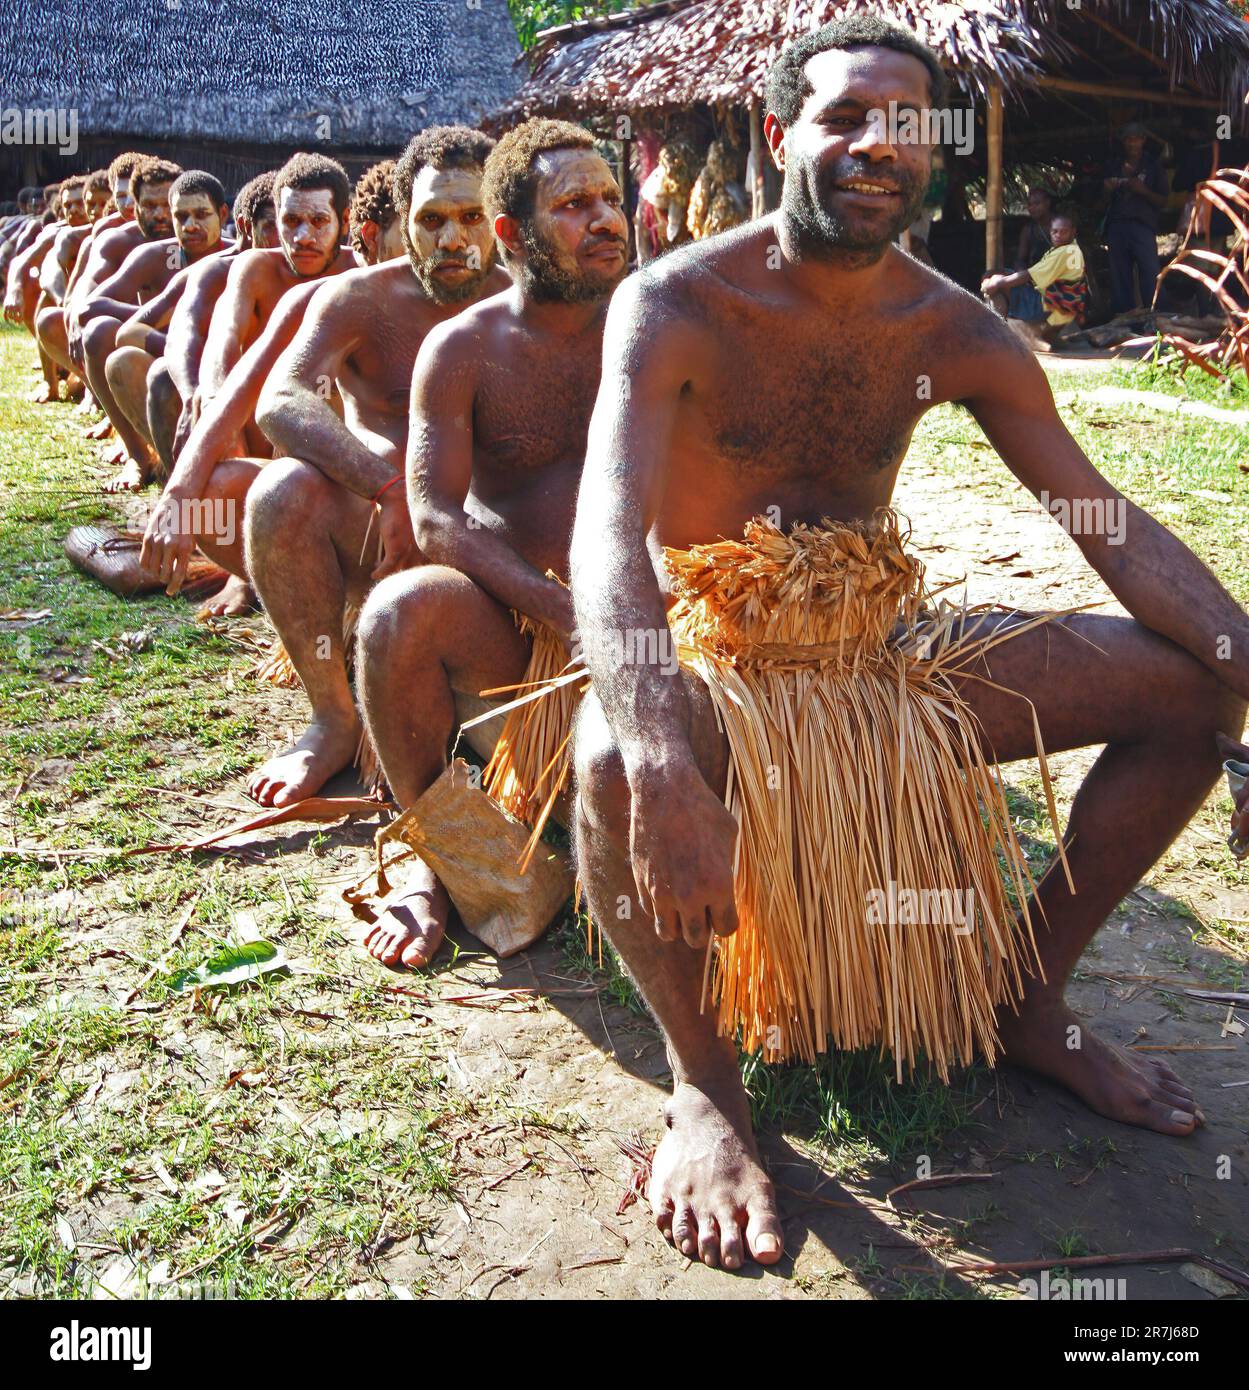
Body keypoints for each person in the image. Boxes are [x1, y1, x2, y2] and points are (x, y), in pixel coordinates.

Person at [569, 17, 1249, 1272]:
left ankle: (1025, 1004)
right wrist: (669, 766)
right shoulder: (673, 303)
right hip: (728, 658)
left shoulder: (957, 332)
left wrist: (1246, 665)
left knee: (1183, 690)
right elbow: (605, 540)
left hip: (884, 650)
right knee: (614, 751)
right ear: (780, 135)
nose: (879, 146)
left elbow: (1099, 516)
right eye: (843, 119)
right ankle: (706, 1088)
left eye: (907, 126)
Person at [354, 117, 629, 969]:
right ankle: (436, 861)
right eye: (575, 204)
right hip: (522, 648)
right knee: (400, 613)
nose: (607, 219)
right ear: (512, 234)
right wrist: (561, 610)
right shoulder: (463, 347)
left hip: (651, 634)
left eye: (612, 198)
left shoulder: (659, 321)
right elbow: (434, 517)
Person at [239, 128, 507, 809]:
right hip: (382, 542)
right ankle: (334, 718)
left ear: (500, 218)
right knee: (280, 491)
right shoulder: (361, 298)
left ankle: (430, 721)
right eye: (432, 220)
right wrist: (387, 487)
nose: (452, 240)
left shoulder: (529, 304)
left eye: (471, 217)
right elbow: (280, 400)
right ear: (402, 223)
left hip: (490, 560)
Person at [981, 206, 1087, 349]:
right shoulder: (1072, 249)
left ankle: (998, 335)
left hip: (1052, 306)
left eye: (1064, 232)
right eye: (1055, 231)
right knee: (998, 276)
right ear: (1050, 231)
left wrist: (997, 282)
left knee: (995, 281)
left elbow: (1028, 275)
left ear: (1073, 232)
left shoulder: (1065, 252)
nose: (1058, 235)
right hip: (1063, 305)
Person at [1103, 121, 1168, 315]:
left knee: (1150, 272)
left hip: (1143, 226)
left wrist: (1144, 191)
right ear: (1124, 142)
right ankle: (1125, 318)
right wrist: (1108, 189)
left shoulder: (1154, 166)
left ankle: (1156, 315)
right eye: (1129, 140)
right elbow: (1101, 202)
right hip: (1117, 226)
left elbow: (1163, 200)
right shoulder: (1113, 165)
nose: (1132, 144)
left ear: (1143, 140)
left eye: (1136, 139)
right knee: (1119, 274)